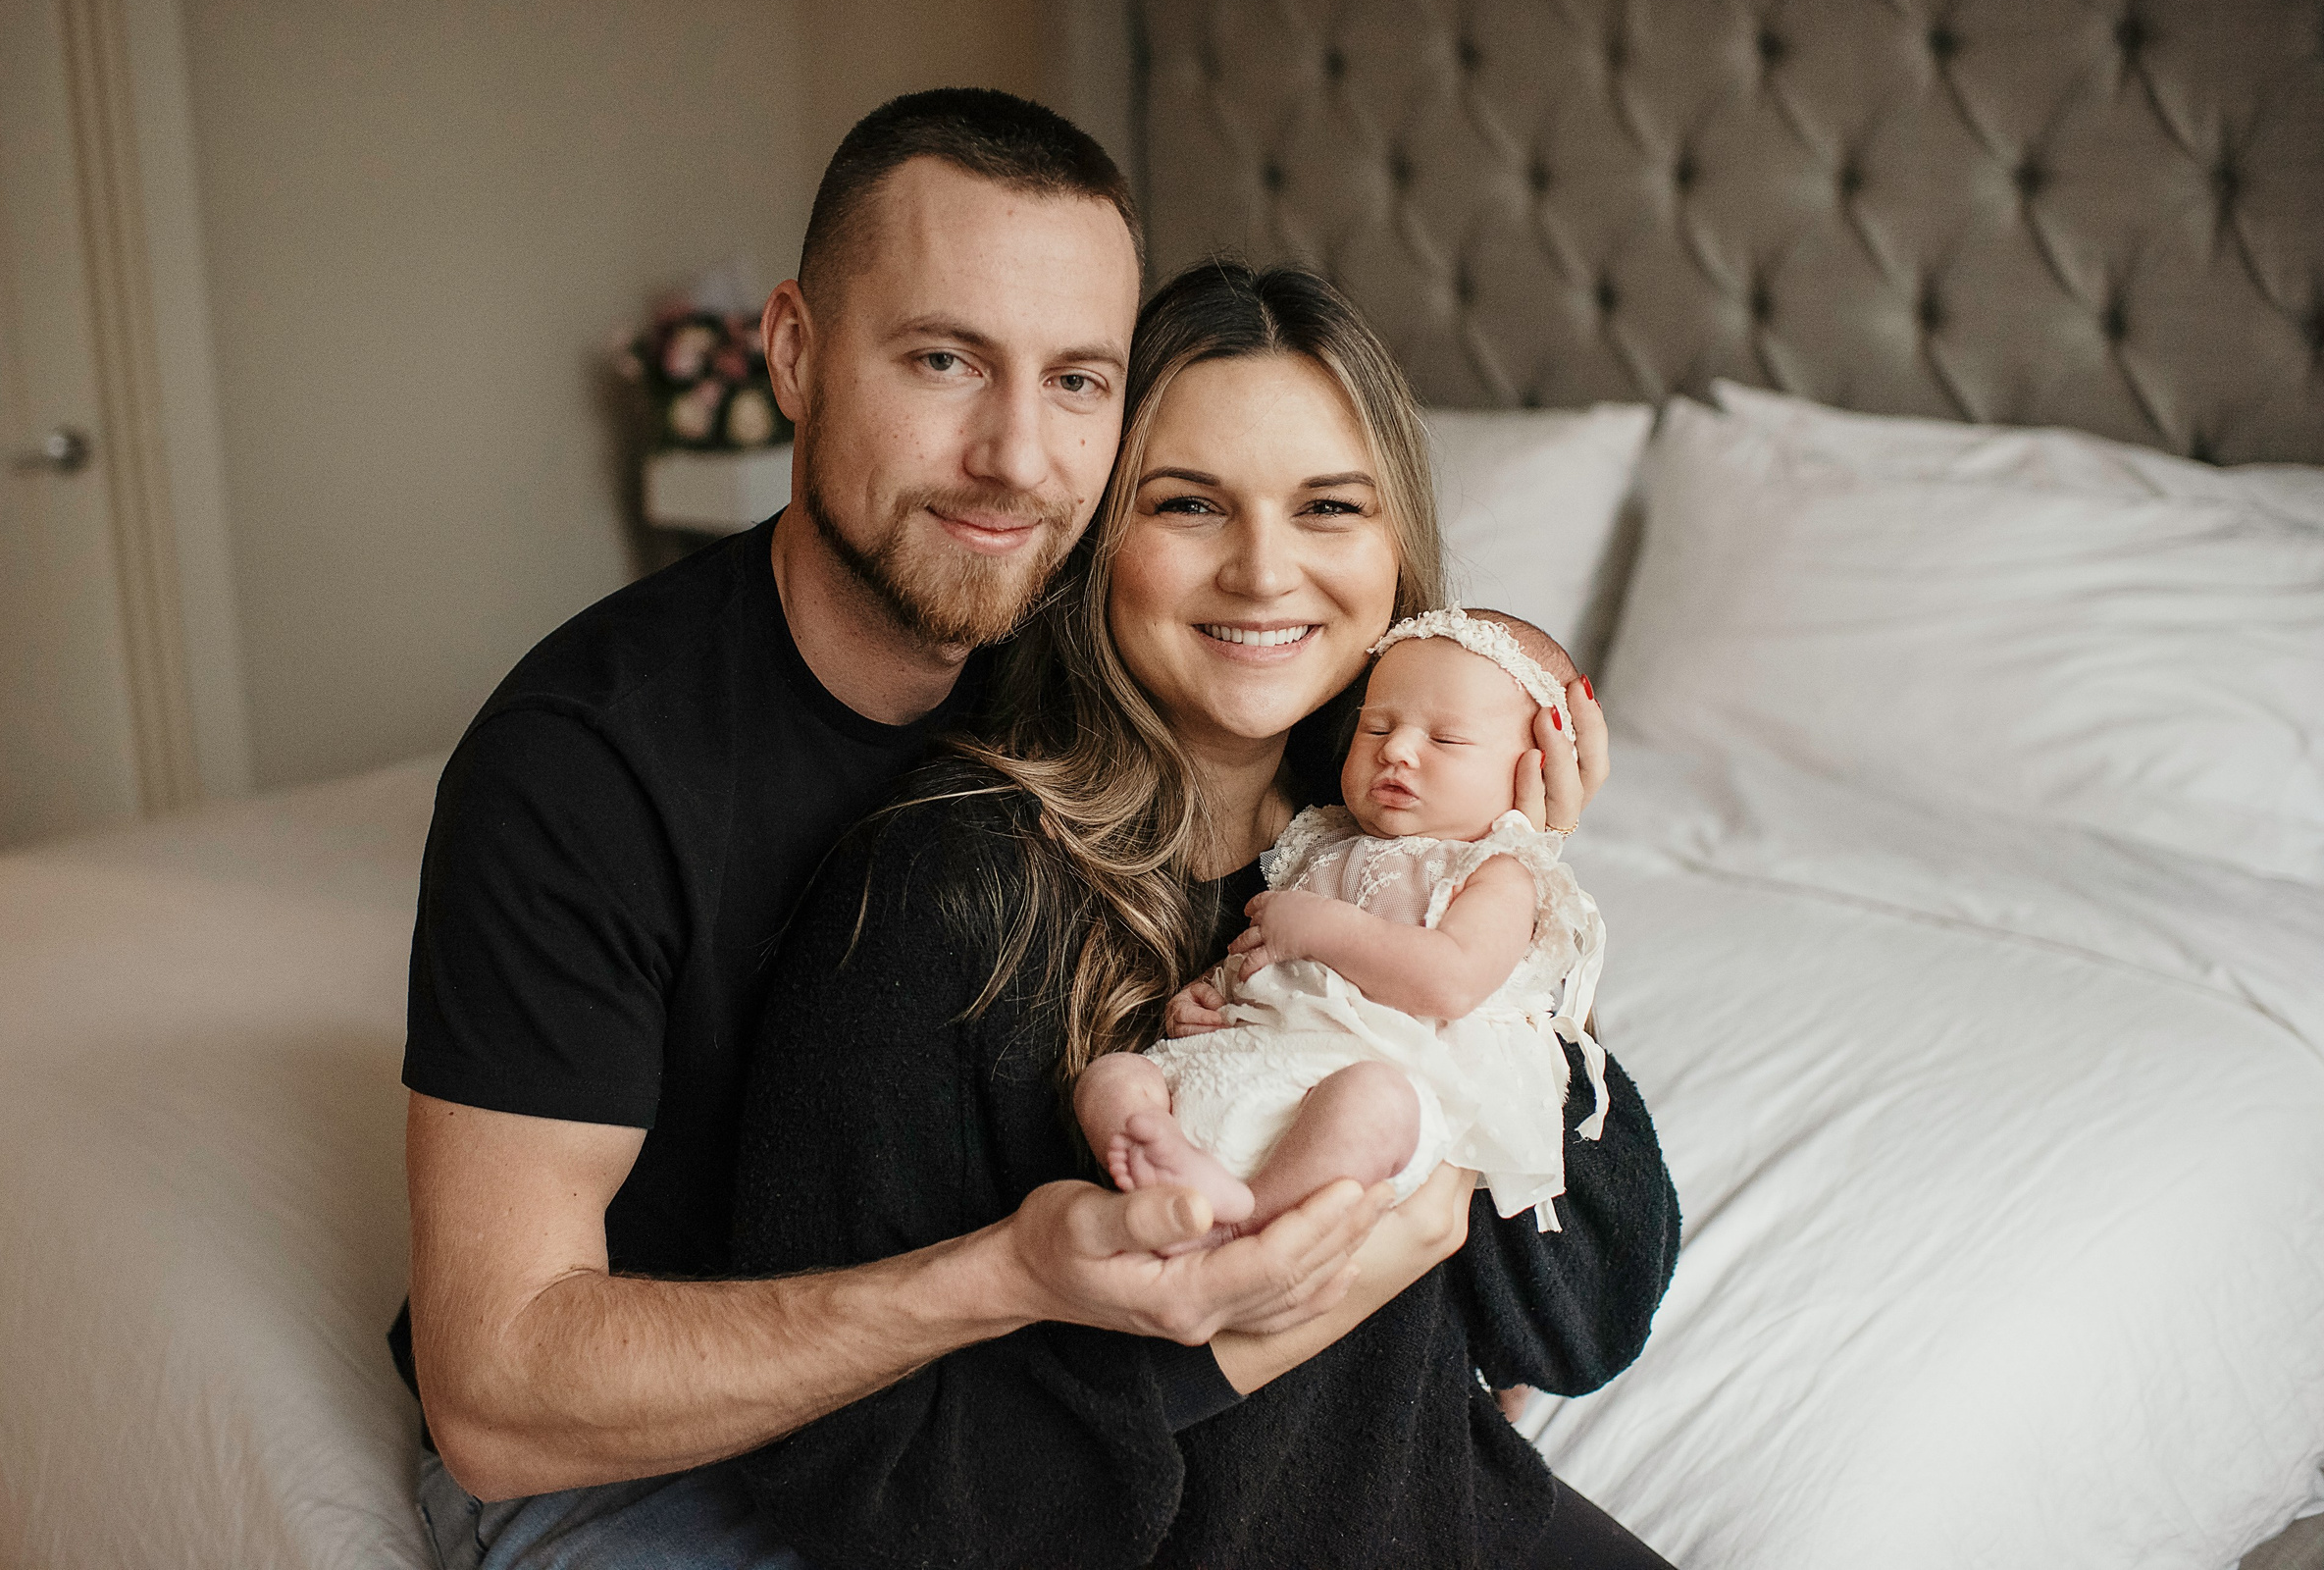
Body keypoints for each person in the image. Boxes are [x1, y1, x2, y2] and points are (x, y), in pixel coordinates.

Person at [395, 91, 1608, 1568]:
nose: (1015, 457)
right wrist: (1014, 1274)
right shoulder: (594, 768)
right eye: (943, 359)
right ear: (793, 352)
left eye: (1082, 380)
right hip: (648, 1422)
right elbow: (503, 1396)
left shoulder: (1209, 729)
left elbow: (1562, 1287)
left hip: (987, 1422)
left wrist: (1506, 894)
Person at [734, 262, 1679, 1568]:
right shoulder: (951, 884)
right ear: (1092, 534)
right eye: (1186, 503)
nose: (1263, 570)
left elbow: (1580, 1320)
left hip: (1436, 1508)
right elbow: (855, 1476)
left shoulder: (1381, 861)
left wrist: (1507, 896)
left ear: (1396, 548)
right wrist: (1228, 1336)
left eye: (1328, 508)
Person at [1077, 606, 1611, 1250]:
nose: (1397, 749)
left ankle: (1242, 1223)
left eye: (1446, 740)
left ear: (1534, 768)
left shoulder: (1500, 873)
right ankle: (1161, 1164)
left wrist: (1319, 930)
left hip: (1352, 1088)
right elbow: (1261, 946)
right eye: (1377, 726)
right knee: (1110, 1078)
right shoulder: (1320, 840)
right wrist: (1210, 989)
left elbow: (1453, 980)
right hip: (1244, 1061)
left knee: (1378, 1102)